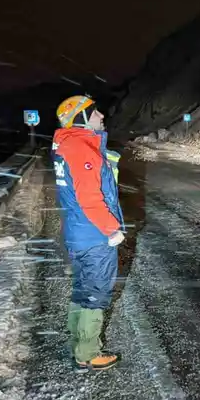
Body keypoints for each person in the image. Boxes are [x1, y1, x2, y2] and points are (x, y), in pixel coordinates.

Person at [52, 95, 125, 371]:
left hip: (78, 233)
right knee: (96, 294)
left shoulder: (68, 145)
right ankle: (88, 354)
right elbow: (90, 199)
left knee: (83, 290)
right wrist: (112, 229)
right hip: (94, 236)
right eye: (94, 112)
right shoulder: (81, 148)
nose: (101, 115)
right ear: (80, 118)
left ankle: (77, 343)